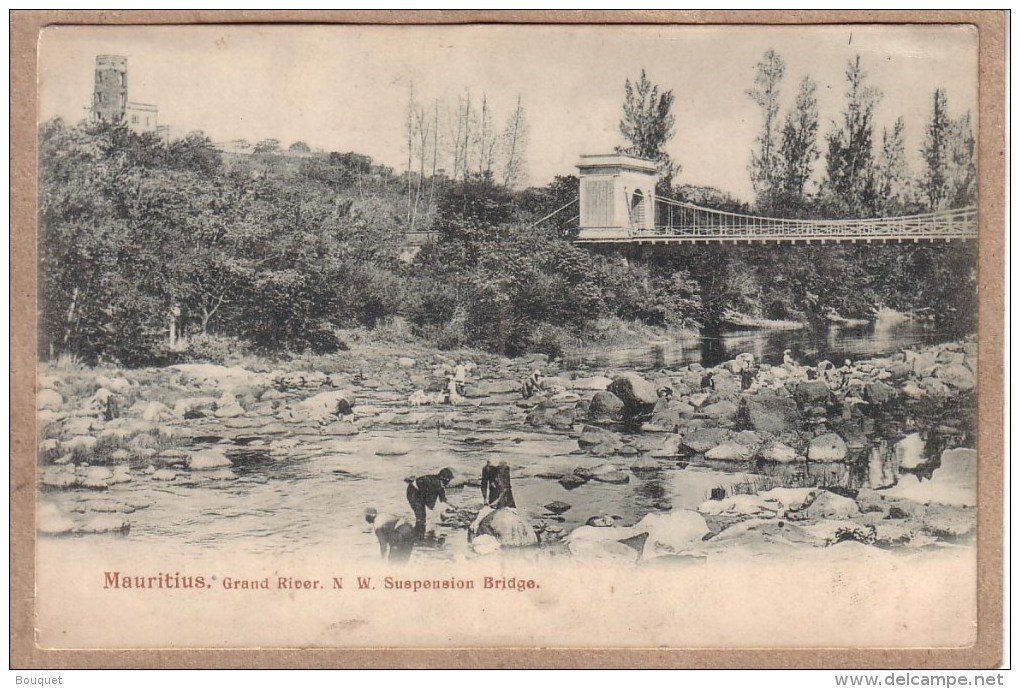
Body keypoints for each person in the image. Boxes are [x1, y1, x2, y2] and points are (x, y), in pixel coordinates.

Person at [405, 468, 455, 540]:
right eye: (449, 480)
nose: (449, 482)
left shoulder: (439, 484)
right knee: (421, 517)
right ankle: (418, 538)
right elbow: (430, 503)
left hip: (419, 492)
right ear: (444, 479)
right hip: (413, 491)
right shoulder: (434, 484)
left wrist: (450, 507)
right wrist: (442, 513)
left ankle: (421, 535)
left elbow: (443, 499)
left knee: (423, 516)